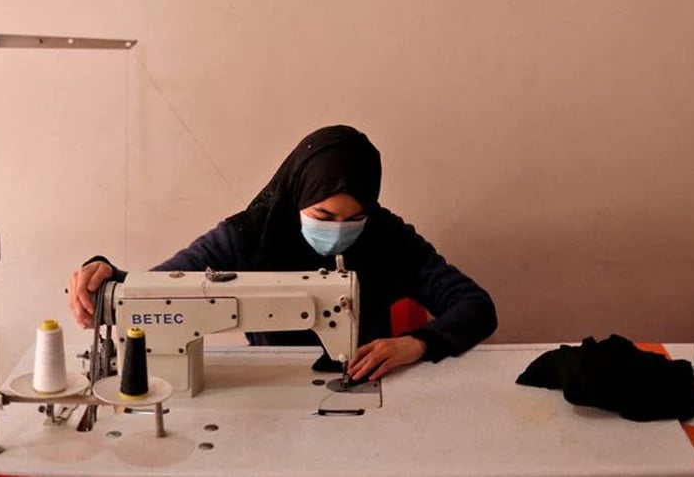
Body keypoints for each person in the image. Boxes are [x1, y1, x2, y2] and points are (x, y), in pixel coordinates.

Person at [68, 124, 497, 382]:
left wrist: (416, 344)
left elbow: (475, 306)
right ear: (297, 197)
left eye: (355, 217)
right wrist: (105, 278)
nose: (338, 231)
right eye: (323, 215)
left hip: (371, 379)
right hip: (267, 384)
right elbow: (159, 291)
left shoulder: (388, 238)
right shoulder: (247, 236)